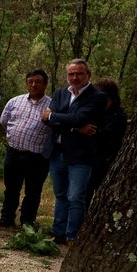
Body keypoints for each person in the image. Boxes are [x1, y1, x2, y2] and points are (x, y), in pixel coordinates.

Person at [42, 59, 107, 244]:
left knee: (76, 197)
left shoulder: (97, 97)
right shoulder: (61, 93)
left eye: (79, 73)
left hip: (81, 155)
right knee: (60, 194)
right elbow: (45, 120)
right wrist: (75, 127)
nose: (75, 77)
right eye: (71, 74)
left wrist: (56, 117)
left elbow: (80, 117)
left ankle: (73, 236)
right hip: (57, 151)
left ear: (88, 75)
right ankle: (58, 233)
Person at [0, 69, 52, 229]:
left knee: (33, 191)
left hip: (37, 156)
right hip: (14, 152)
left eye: (38, 82)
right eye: (30, 81)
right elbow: (4, 121)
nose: (33, 85)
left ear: (45, 84)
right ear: (26, 83)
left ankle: (27, 221)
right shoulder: (15, 101)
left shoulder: (52, 106)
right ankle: (6, 218)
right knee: (11, 188)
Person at [86, 78, 127, 206]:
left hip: (107, 160)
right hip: (90, 158)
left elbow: (104, 135)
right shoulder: (96, 113)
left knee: (101, 195)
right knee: (84, 195)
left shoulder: (117, 115)